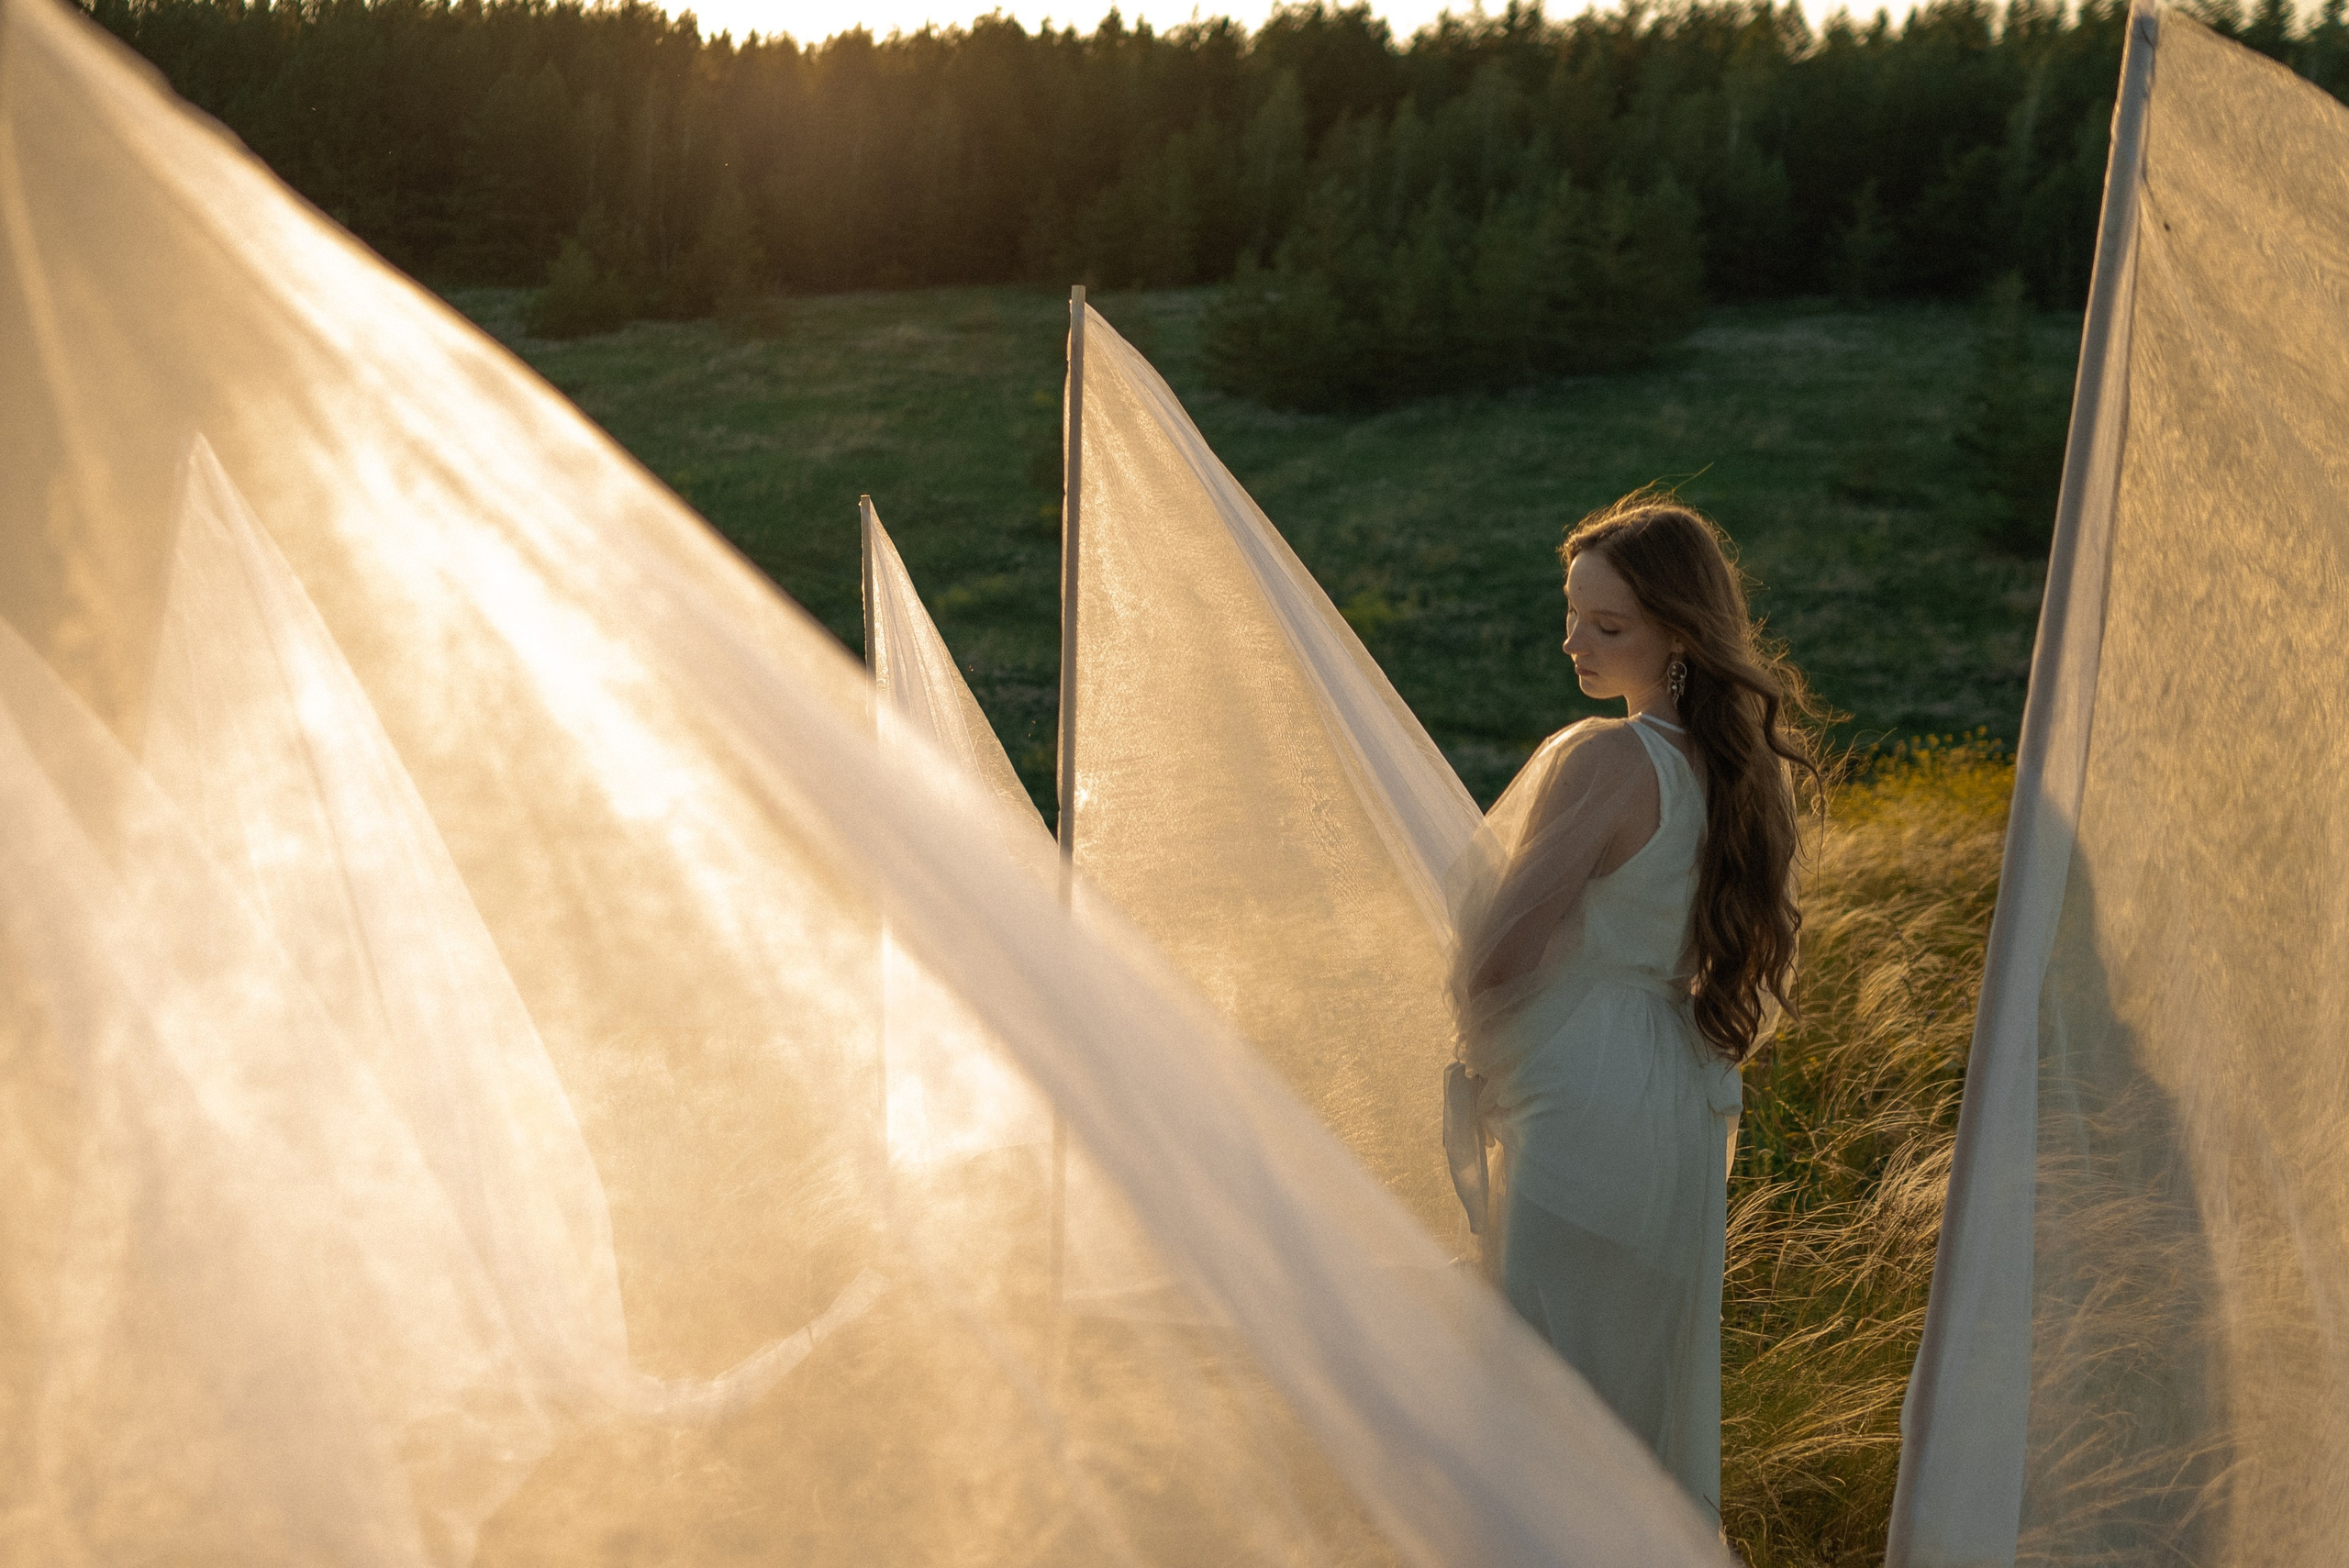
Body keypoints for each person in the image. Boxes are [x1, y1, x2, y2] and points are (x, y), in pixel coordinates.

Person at [1442, 489, 1820, 1516]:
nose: (1575, 642)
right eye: (1571, 613)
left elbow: (1498, 955)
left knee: (1541, 1373)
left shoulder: (1604, 758)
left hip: (1580, 1081)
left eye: (1606, 625)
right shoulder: (1742, 773)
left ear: (1681, 635)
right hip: (1673, 1083)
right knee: (1637, 1382)